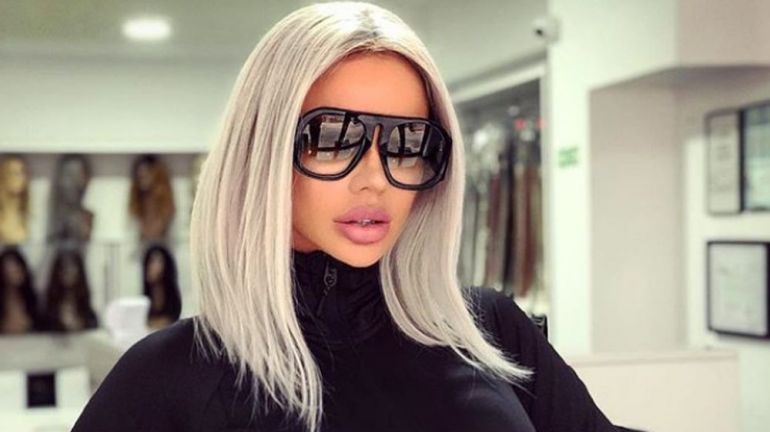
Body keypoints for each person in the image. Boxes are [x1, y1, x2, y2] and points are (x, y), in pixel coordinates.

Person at [73, 2, 618, 431]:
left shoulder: (489, 331)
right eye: (332, 139)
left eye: (407, 144)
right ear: (263, 150)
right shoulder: (168, 377)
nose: (376, 179)